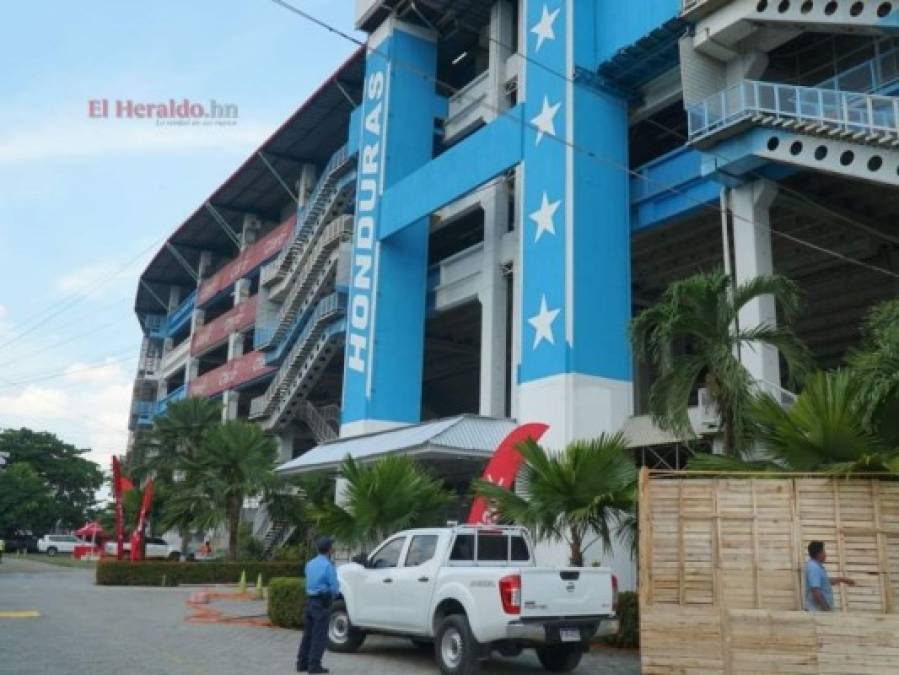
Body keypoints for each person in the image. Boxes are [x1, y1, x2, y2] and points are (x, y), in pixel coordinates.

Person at [297, 536, 338, 674]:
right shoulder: (328, 565)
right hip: (322, 602)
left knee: (308, 633)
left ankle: (302, 662)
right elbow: (334, 587)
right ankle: (314, 665)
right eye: (332, 546)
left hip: (310, 601)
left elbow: (307, 579)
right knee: (319, 635)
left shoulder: (310, 564)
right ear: (329, 550)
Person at [805, 540, 855, 611]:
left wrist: (842, 579)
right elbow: (816, 592)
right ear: (819, 553)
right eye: (824, 551)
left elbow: (824, 582)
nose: (825, 554)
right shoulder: (814, 568)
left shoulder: (816, 566)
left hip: (819, 612)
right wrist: (827, 610)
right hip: (817, 612)